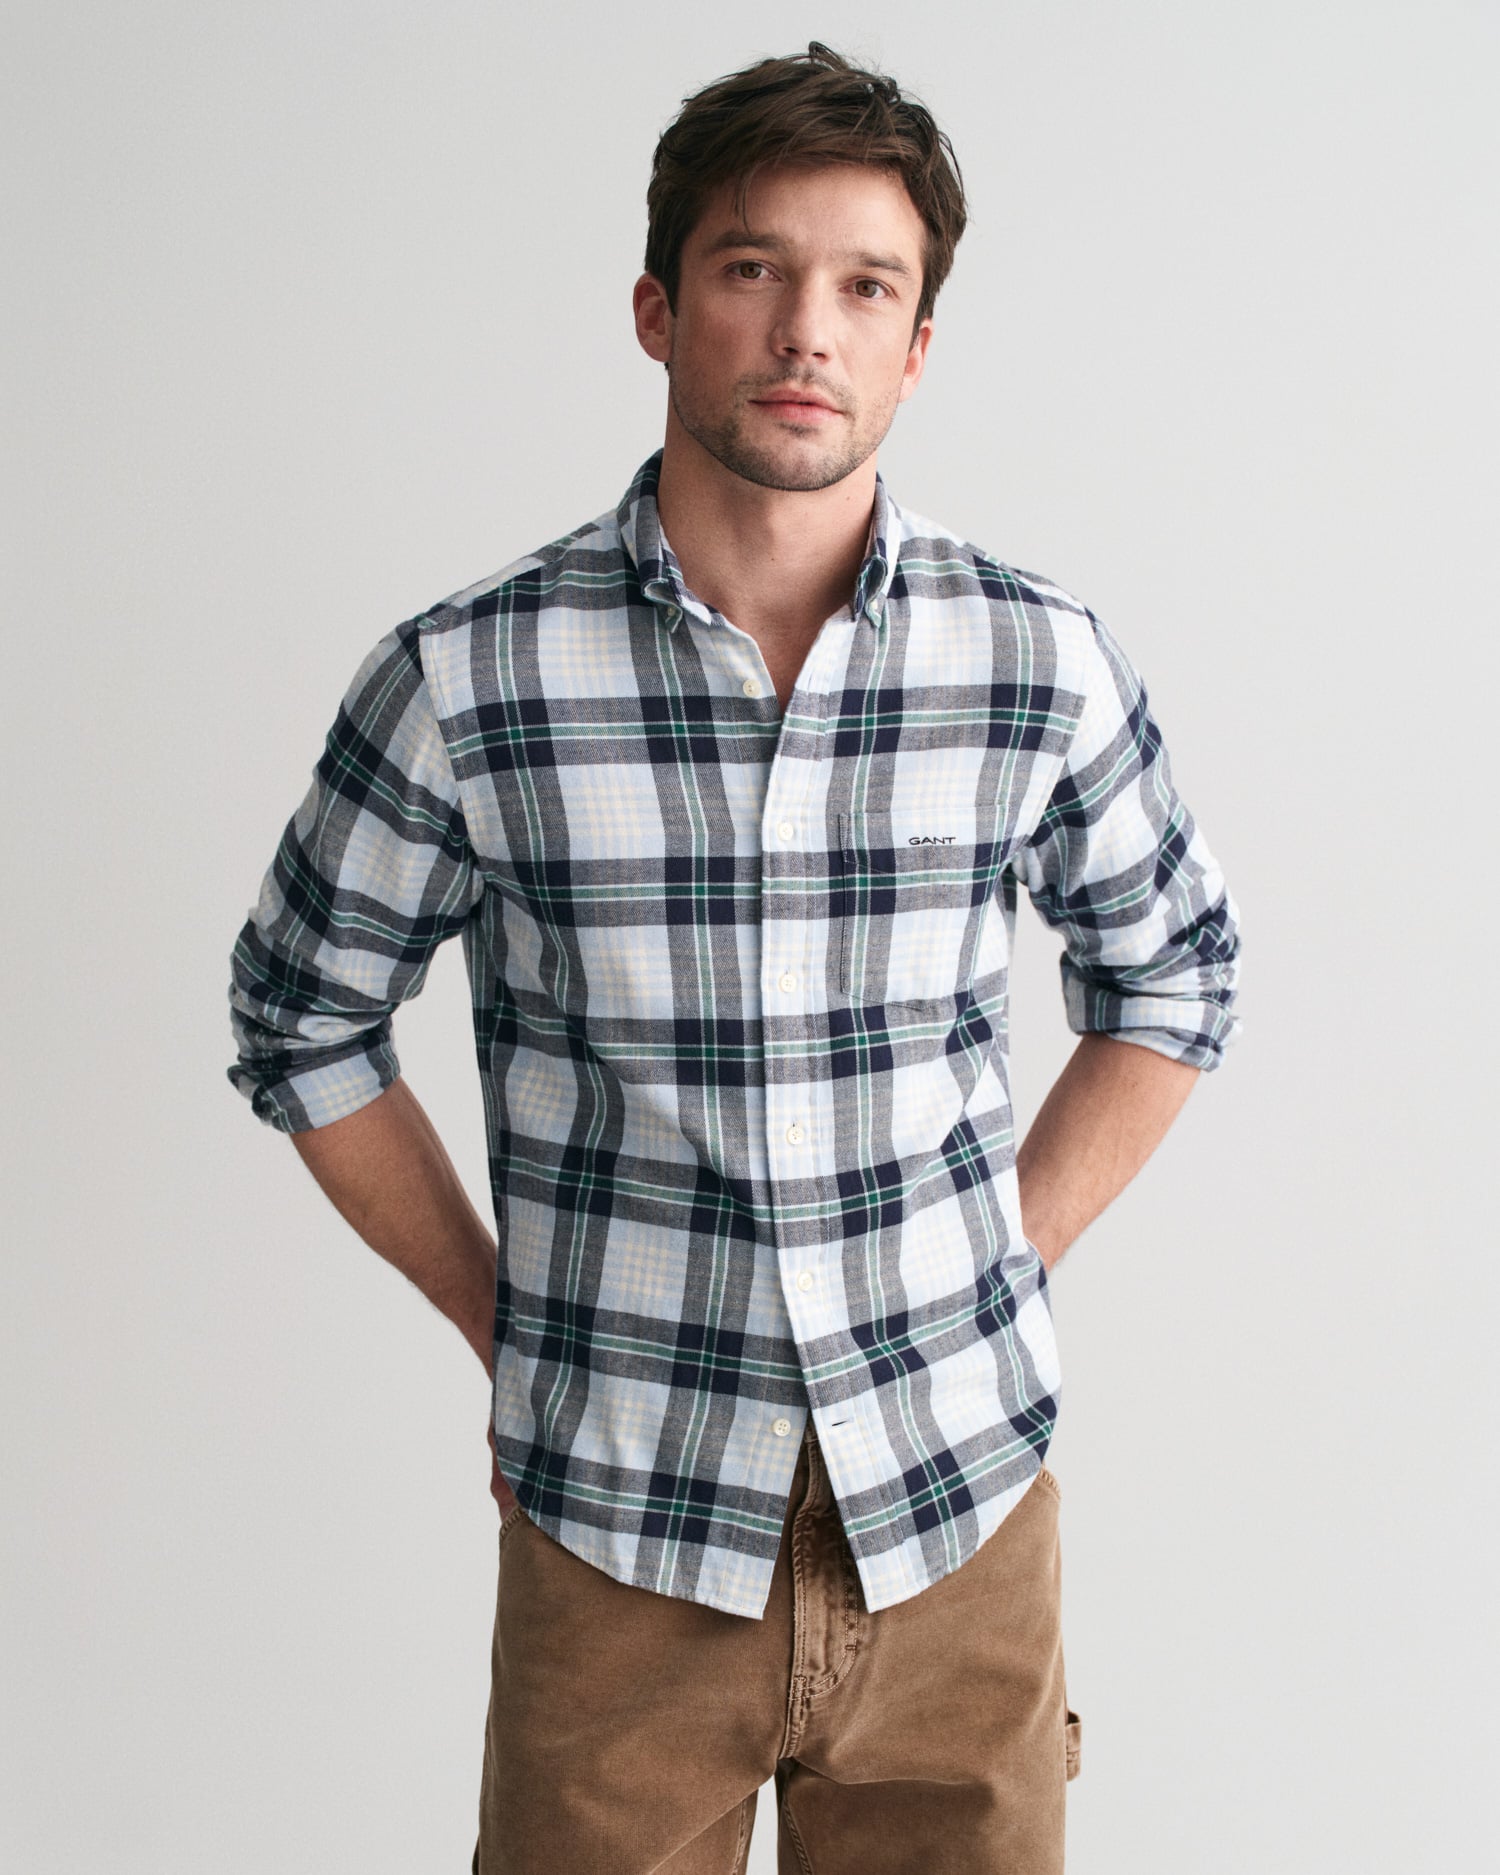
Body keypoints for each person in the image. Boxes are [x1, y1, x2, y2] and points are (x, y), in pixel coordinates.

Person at [228, 41, 1241, 1875]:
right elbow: (301, 1020)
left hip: (957, 1532)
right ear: (658, 308)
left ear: (916, 347)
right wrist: (500, 1316)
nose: (805, 332)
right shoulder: (471, 678)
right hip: (618, 1538)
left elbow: (1175, 976)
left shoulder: (1034, 660)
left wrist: (999, 1259)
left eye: (866, 288)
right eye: (753, 268)